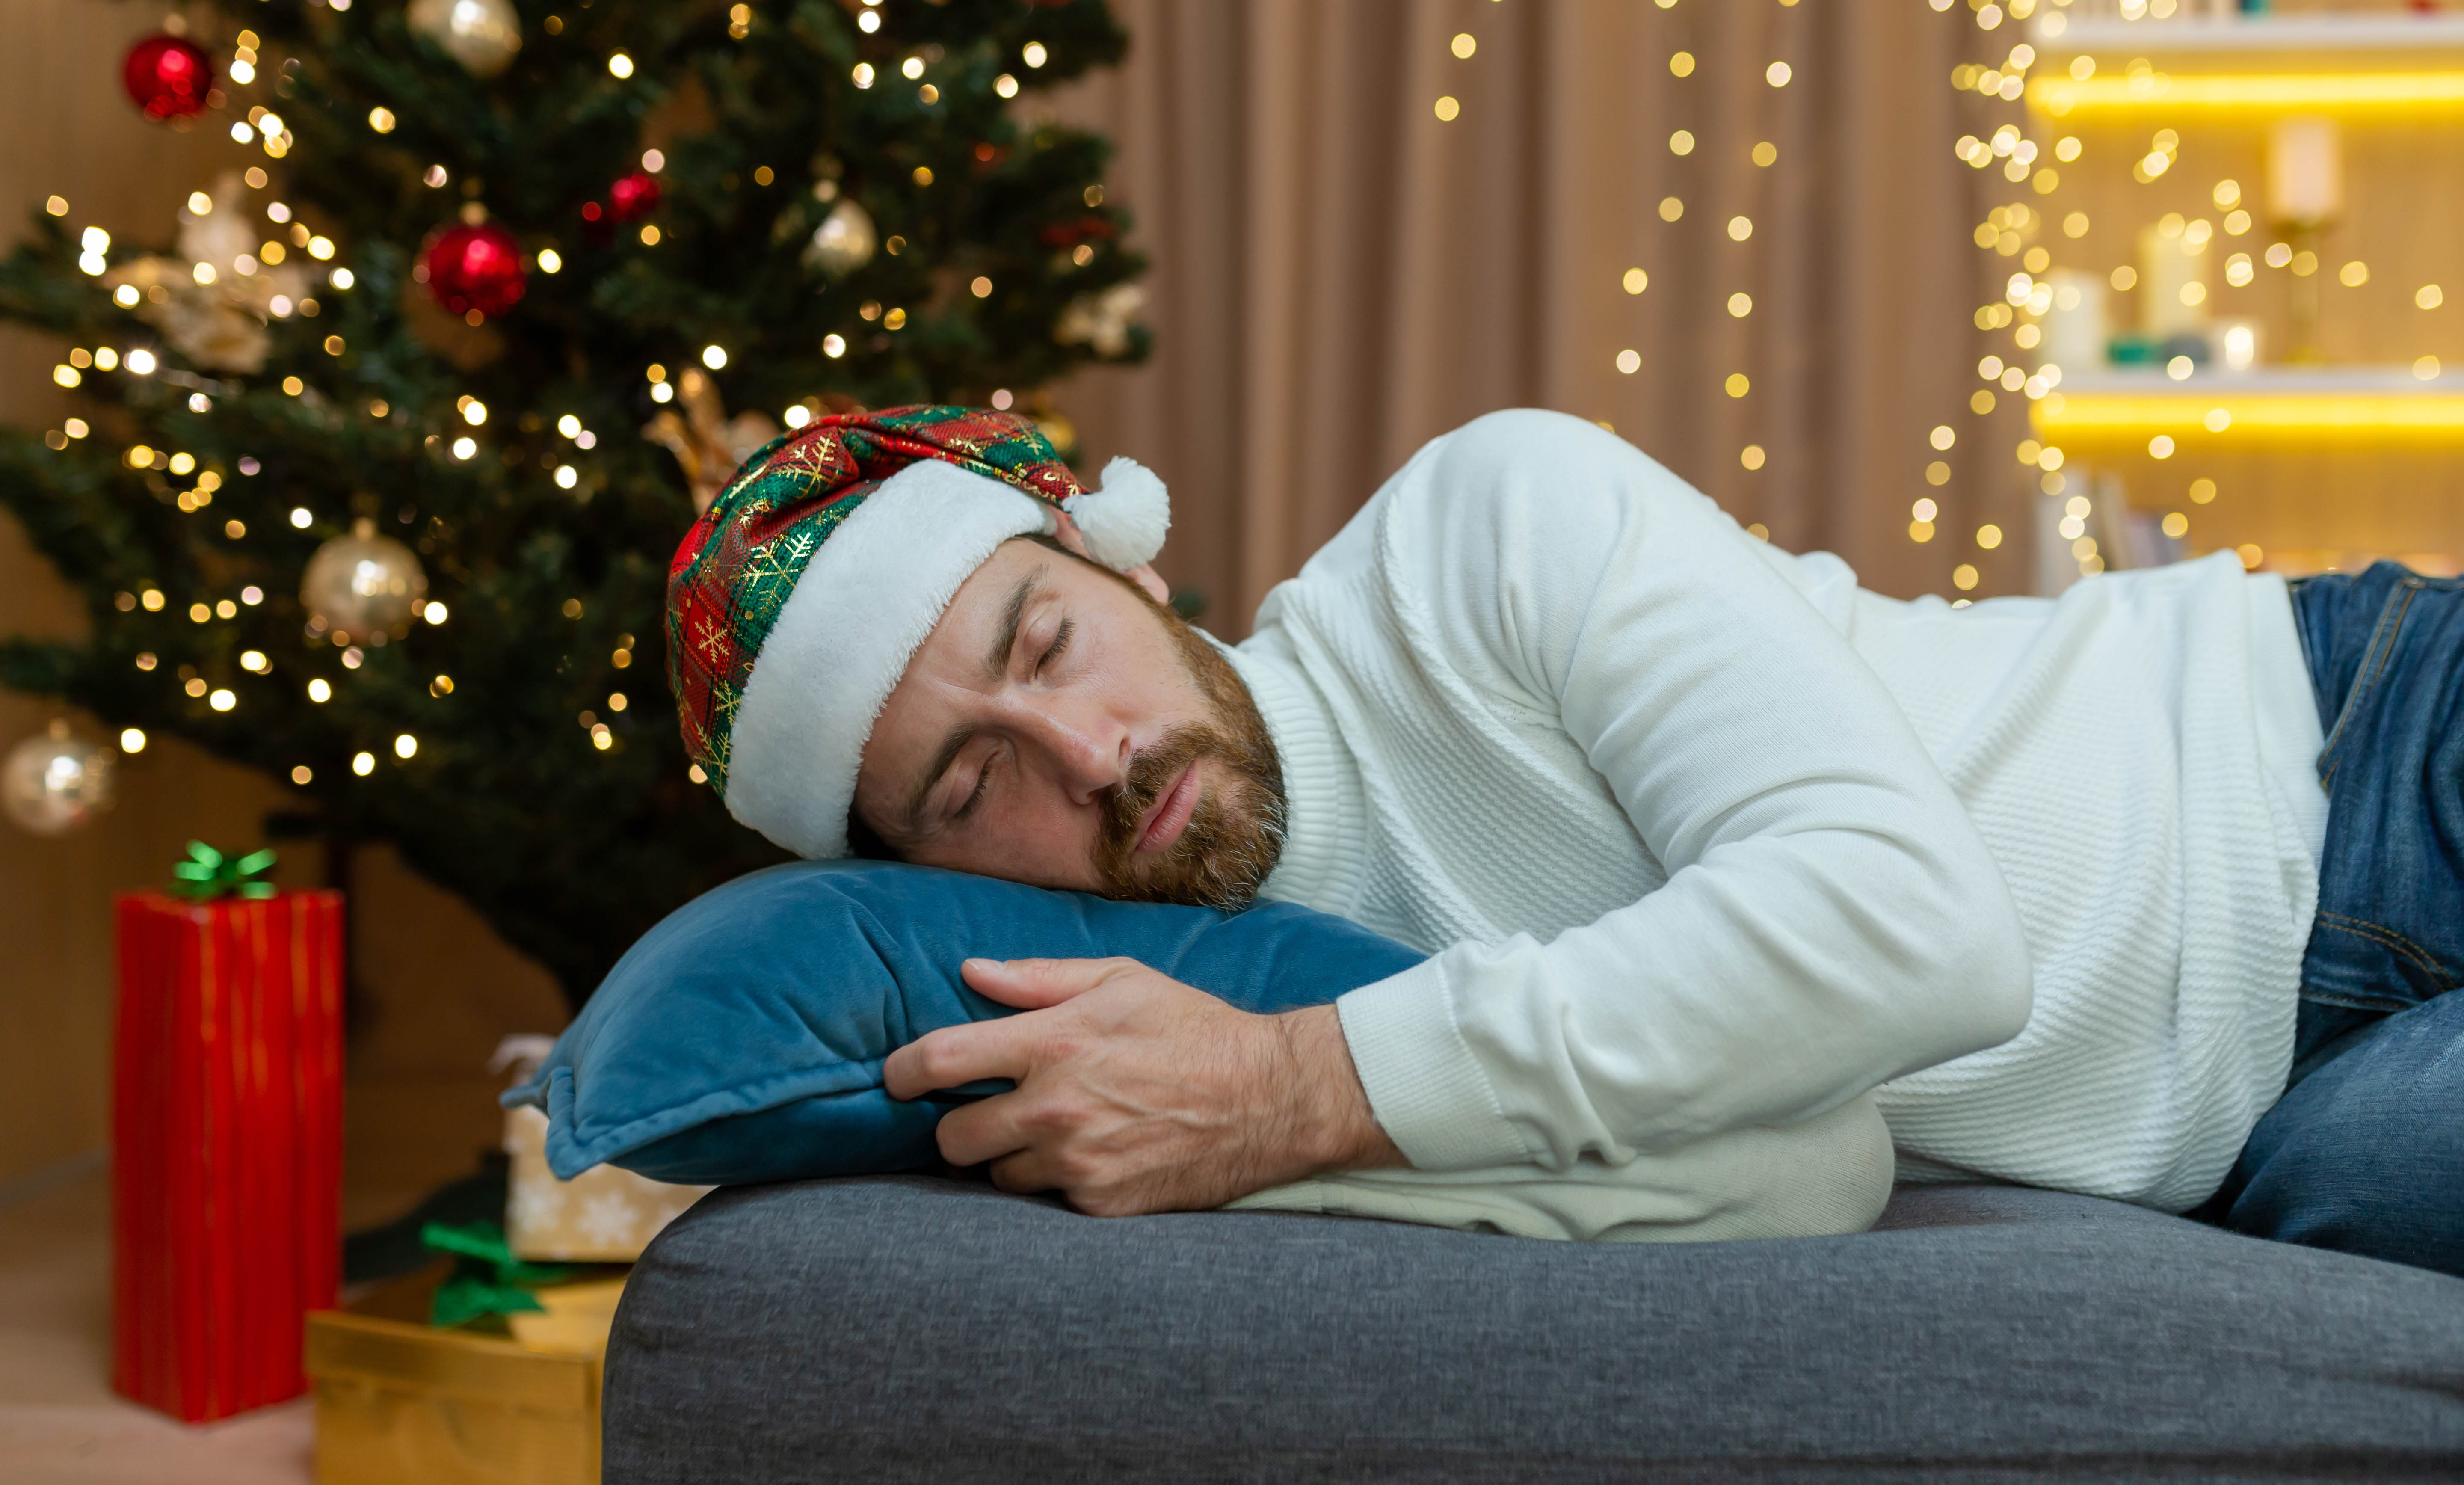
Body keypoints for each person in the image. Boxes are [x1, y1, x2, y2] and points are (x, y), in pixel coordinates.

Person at [666, 404, 2464, 1276]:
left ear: (1120, 563)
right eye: (974, 788)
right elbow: (1813, 1170)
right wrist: (1252, 1120)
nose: (1089, 758)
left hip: (2347, 738)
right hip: (2286, 1136)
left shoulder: (1485, 523)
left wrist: (1286, 1094)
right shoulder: (1183, 1023)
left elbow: (1917, 927)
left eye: (1049, 644)